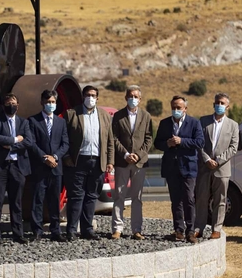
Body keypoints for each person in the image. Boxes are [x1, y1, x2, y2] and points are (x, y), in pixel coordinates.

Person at [64, 85, 114, 240]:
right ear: (83, 96)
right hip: (78, 161)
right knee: (76, 196)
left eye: (93, 95)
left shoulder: (104, 116)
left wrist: (110, 161)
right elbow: (64, 139)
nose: (90, 98)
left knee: (92, 196)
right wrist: (67, 158)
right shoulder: (72, 114)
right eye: (87, 95)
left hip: (98, 161)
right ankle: (71, 230)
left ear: (97, 98)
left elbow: (110, 140)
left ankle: (87, 229)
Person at [154, 95, 204, 242]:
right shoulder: (164, 123)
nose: (176, 110)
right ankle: (179, 230)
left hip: (188, 167)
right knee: (176, 200)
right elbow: (157, 143)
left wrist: (182, 141)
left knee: (189, 199)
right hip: (171, 167)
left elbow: (200, 142)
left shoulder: (194, 123)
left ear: (185, 108)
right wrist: (167, 144)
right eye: (173, 107)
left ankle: (190, 230)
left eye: (179, 107)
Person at [0, 93, 33, 244]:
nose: (11, 105)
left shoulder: (23, 122)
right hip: (0, 166)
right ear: (3, 105)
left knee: (16, 202)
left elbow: (29, 141)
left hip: (17, 167)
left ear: (18, 105)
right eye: (8, 102)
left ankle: (18, 234)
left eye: (13, 102)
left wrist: (11, 145)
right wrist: (15, 139)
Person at [194, 92, 240, 240]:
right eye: (217, 102)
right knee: (201, 198)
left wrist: (218, 160)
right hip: (204, 167)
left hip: (222, 168)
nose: (219, 105)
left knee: (220, 200)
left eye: (222, 103)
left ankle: (217, 228)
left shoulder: (233, 125)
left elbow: (233, 147)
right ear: (213, 104)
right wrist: (207, 159)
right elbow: (198, 143)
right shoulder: (203, 121)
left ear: (227, 106)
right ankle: (198, 228)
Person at [111, 85, 154, 240]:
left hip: (139, 163)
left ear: (140, 99)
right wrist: (126, 154)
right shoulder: (118, 116)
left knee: (137, 197)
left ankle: (137, 229)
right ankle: (117, 229)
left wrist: (138, 154)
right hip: (122, 162)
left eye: (136, 96)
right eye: (130, 96)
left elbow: (149, 138)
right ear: (125, 97)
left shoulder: (146, 116)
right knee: (119, 196)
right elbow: (113, 138)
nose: (133, 99)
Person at [27, 89, 70, 242]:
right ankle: (37, 231)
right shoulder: (33, 121)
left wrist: (55, 157)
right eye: (47, 102)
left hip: (56, 168)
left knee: (54, 201)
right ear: (42, 102)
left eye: (52, 102)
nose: (50, 104)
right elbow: (31, 143)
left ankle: (55, 231)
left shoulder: (61, 122)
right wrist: (45, 158)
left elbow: (65, 143)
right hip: (40, 167)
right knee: (37, 200)